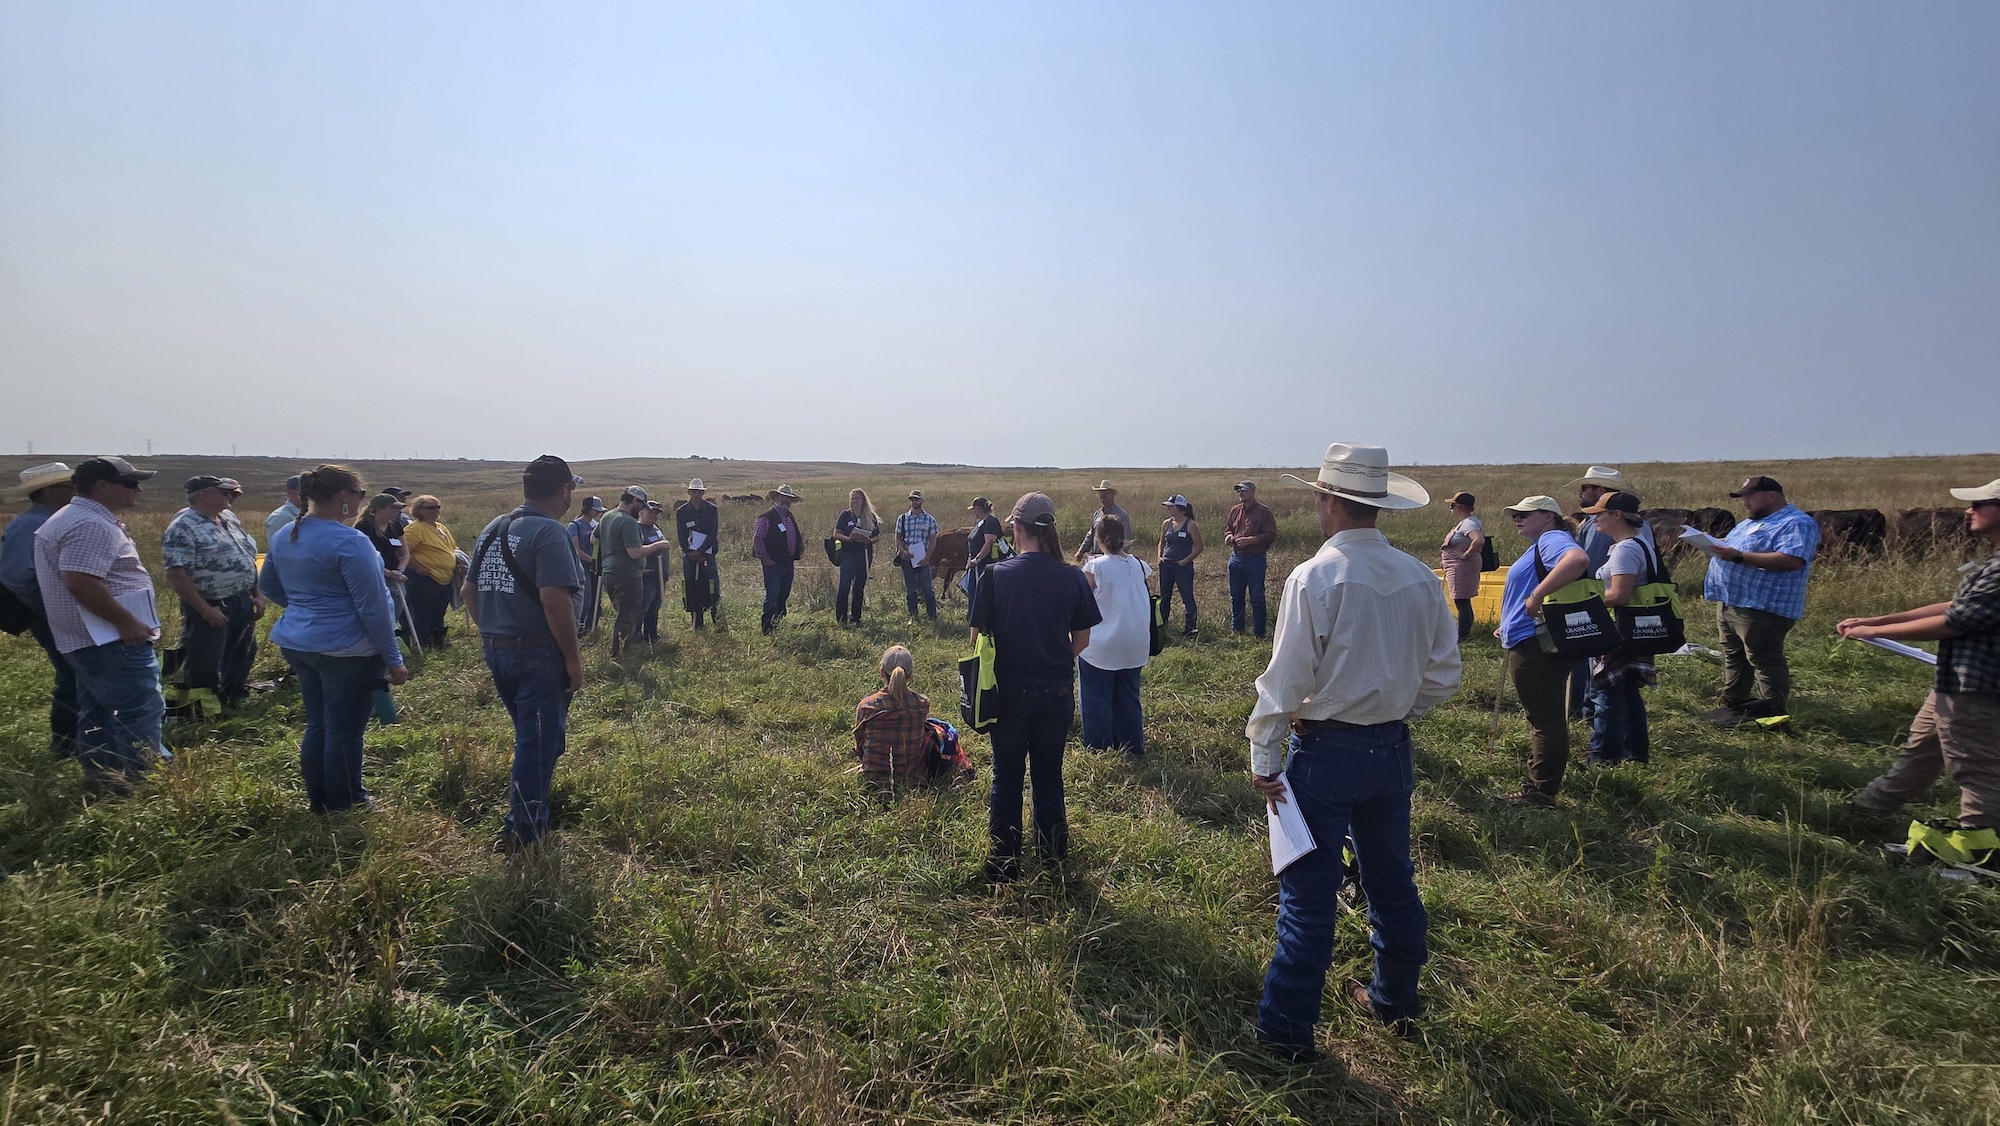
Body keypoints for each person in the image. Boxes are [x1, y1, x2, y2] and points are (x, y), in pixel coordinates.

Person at [1246, 442, 1461, 1060]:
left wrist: (1264, 758)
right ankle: (1394, 999)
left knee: (1308, 895)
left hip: (1325, 754)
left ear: (1328, 502)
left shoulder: (1315, 576)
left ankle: (1286, 1035)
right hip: (1392, 751)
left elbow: (1285, 682)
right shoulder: (1421, 577)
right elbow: (1445, 676)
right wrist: (1391, 713)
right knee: (1391, 878)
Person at [1842, 478, 2000, 829]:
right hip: (1955, 678)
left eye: (1978, 505)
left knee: (1977, 769)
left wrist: (1876, 631)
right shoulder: (1994, 561)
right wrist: (1878, 619)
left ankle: (1977, 850)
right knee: (1921, 750)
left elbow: (1954, 621)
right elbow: (1957, 605)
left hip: (1979, 684)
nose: (1968, 510)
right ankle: (1868, 812)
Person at [258, 465, 407, 813]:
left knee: (319, 723)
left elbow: (269, 586)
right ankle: (345, 803)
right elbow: (373, 608)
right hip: (347, 649)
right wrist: (393, 657)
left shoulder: (286, 535)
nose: (361, 502)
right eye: (360, 495)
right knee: (344, 730)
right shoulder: (350, 541)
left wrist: (307, 609)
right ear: (344, 496)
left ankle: (321, 801)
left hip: (299, 642)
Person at [969, 492, 1102, 881]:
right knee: (1049, 777)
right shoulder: (1073, 576)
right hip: (1055, 693)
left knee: (1006, 777)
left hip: (1005, 696)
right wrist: (1053, 656)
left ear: (1016, 527)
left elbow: (977, 637)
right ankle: (1054, 858)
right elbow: (1082, 641)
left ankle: (1004, 864)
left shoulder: (994, 576)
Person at [462, 455, 586, 849]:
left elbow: (468, 591)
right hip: (537, 654)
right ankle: (525, 832)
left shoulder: (493, 528)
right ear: (564, 491)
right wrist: (572, 658)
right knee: (538, 744)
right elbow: (556, 602)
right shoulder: (549, 533)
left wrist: (496, 633)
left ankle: (532, 812)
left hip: (498, 650)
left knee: (535, 737)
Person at [33, 457, 167, 793]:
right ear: (102, 486)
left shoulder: (70, 518)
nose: (137, 490)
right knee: (140, 708)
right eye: (130, 483)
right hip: (110, 639)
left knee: (98, 711)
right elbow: (81, 582)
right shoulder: (89, 524)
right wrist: (127, 623)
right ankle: (148, 784)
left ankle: (105, 777)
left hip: (88, 639)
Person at [1493, 496, 1590, 805]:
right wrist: (1509, 622)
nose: (1517, 519)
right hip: (1530, 636)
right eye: (1514, 515)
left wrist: (1536, 596)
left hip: (1536, 642)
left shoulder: (1552, 538)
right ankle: (1542, 783)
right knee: (1544, 715)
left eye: (1524, 514)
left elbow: (1577, 561)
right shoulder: (1541, 543)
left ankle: (1541, 791)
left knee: (1544, 718)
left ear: (1549, 516)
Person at [1702, 476, 1821, 724]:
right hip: (1733, 600)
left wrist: (1737, 556)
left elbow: (1791, 559)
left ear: (1771, 495)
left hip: (1764, 604)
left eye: (1749, 496)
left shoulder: (1796, 523)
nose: (1745, 502)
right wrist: (1715, 544)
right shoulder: (1750, 522)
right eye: (1743, 497)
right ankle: (1734, 699)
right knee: (1734, 652)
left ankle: (1773, 709)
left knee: (1763, 656)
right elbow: (1739, 547)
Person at [160, 475, 265, 717]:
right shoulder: (183, 527)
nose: (229, 496)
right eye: (223, 492)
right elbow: (177, 573)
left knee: (242, 652)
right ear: (203, 495)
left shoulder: (228, 519)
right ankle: (202, 713)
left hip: (241, 600)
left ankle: (233, 697)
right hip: (211, 604)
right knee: (204, 661)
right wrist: (204, 609)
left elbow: (246, 557)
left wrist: (256, 594)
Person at [1, 462, 79, 757]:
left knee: (78, 674)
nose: (75, 492)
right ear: (47, 491)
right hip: (51, 615)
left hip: (60, 613)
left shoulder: (51, 520)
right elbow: (18, 576)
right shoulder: (29, 525)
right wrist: (47, 609)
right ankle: (66, 743)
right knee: (72, 675)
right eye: (69, 487)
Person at [1566, 468, 1657, 719]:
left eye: (1585, 488)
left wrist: (1577, 601)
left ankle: (1589, 714)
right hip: (1635, 614)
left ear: (1600, 491)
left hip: (1610, 609)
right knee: (1625, 684)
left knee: (1595, 669)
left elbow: (1589, 565)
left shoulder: (1607, 530)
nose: (1580, 493)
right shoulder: (1640, 524)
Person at [1578, 491, 1656, 765]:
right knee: (1626, 692)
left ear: (1617, 515)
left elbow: (1620, 595)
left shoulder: (1626, 549)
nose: (1594, 519)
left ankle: (1602, 759)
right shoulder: (1636, 543)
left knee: (1606, 693)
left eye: (1599, 514)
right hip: (1632, 629)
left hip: (1619, 629)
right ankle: (1635, 755)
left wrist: (1581, 602)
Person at [1079, 515, 1152, 756]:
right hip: (1135, 644)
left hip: (1102, 646)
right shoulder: (1140, 565)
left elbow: (1080, 602)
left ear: (1099, 539)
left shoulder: (1094, 567)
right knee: (1129, 697)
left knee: (1096, 698)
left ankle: (1098, 748)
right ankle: (1132, 747)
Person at [596, 487, 672, 654]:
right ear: (635, 501)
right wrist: (659, 545)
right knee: (628, 617)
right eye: (641, 505)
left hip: (610, 573)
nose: (641, 509)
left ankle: (621, 652)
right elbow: (634, 552)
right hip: (626, 575)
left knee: (624, 614)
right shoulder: (628, 522)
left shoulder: (607, 516)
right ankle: (622, 656)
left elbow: (593, 538)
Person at [853, 645, 931, 783]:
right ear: (910, 675)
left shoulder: (867, 706)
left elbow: (860, 745)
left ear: (882, 672)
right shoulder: (922, 703)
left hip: (872, 780)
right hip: (913, 779)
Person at [401, 494, 459, 649]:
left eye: (438, 507)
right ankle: (421, 644)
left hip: (444, 577)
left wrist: (459, 561)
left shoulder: (441, 528)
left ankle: (437, 641)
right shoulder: (415, 529)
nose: (436, 511)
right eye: (431, 508)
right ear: (419, 510)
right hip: (424, 577)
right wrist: (417, 567)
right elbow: (401, 551)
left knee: (439, 612)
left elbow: (452, 548)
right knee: (423, 613)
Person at [1225, 480, 1279, 637]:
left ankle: (1259, 633)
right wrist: (1228, 536)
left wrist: (1250, 540)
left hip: (1255, 558)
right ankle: (1237, 630)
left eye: (1243, 490)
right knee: (1236, 596)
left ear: (1253, 491)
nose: (1240, 493)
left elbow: (1271, 534)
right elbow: (1228, 528)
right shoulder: (1235, 510)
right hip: (1236, 558)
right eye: (1238, 491)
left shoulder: (1263, 512)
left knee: (1256, 597)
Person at [752, 485, 804, 634]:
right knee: (772, 596)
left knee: (783, 595)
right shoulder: (766, 517)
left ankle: (778, 624)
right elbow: (757, 539)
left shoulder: (789, 516)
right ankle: (767, 628)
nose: (786, 500)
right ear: (776, 498)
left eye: (789, 498)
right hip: (772, 564)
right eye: (783, 496)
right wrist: (766, 559)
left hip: (788, 562)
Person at [1439, 492, 1486, 644]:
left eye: (1452, 506)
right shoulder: (1466, 522)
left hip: (1463, 566)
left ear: (1461, 507)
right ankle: (1463, 634)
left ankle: (1462, 637)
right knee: (1463, 601)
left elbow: (1478, 541)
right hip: (1458, 566)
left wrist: (1466, 555)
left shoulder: (1469, 523)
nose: (1450, 509)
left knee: (1462, 601)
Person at [676, 479, 721, 630]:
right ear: (689, 493)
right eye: (694, 492)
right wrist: (692, 554)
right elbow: (682, 537)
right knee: (692, 588)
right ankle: (697, 624)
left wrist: (701, 552)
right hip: (689, 556)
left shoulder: (712, 509)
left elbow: (712, 533)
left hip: (708, 554)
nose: (696, 494)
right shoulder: (681, 512)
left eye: (699, 492)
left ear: (703, 493)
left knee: (713, 588)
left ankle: (719, 623)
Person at [1157, 495, 1202, 638]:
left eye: (1171, 506)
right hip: (1166, 565)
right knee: (1164, 597)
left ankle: (1190, 629)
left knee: (1187, 598)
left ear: (1179, 508)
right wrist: (1159, 557)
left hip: (1183, 567)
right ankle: (1162, 627)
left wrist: (1185, 560)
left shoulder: (1190, 525)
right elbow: (1162, 543)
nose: (1168, 509)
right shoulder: (1166, 523)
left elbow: (1199, 547)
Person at [834, 489, 880, 625]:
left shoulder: (870, 516)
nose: (854, 501)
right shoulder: (845, 515)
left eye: (857, 498)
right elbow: (836, 534)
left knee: (859, 586)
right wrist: (848, 538)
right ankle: (841, 618)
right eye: (852, 498)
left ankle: (856, 618)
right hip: (848, 554)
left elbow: (877, 535)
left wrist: (870, 540)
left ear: (863, 500)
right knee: (844, 585)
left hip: (864, 553)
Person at [895, 490, 939, 621]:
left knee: (927, 589)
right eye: (912, 500)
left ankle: (932, 616)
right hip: (907, 559)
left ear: (922, 501)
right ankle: (913, 616)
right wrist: (903, 551)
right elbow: (897, 538)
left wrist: (927, 558)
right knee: (910, 589)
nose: (914, 502)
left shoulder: (930, 520)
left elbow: (933, 541)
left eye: (917, 499)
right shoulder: (902, 518)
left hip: (923, 559)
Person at [964, 497, 1006, 621]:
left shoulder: (991, 522)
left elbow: (988, 543)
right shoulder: (980, 522)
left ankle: (982, 621)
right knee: (972, 594)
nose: (974, 512)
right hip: (974, 565)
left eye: (974, 510)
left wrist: (977, 559)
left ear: (979, 509)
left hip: (984, 566)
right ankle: (973, 620)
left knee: (981, 594)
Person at [569, 495, 606, 633]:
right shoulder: (574, 526)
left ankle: (591, 628)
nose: (598, 513)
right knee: (586, 600)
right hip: (582, 568)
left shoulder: (597, 525)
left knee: (597, 599)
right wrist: (593, 559)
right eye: (596, 510)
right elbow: (575, 550)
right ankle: (579, 629)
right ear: (587, 509)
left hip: (596, 568)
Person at [1073, 480, 1131, 560]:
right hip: (1096, 556)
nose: (1103, 495)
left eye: (1106, 492)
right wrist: (1081, 551)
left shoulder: (1121, 515)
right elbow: (1091, 535)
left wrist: (1118, 557)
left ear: (1112, 495)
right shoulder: (1097, 513)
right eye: (1101, 492)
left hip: (1114, 559)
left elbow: (1127, 537)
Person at [636, 500, 667, 643]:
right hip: (646, 575)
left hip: (659, 575)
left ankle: (650, 635)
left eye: (656, 513)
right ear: (641, 512)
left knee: (654, 606)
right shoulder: (636, 528)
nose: (653, 515)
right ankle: (634, 636)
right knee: (642, 606)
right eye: (650, 512)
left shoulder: (656, 529)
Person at [264, 474, 302, 543]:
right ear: (289, 492)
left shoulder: (308, 514)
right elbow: (275, 547)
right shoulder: (280, 517)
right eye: (301, 489)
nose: (307, 493)